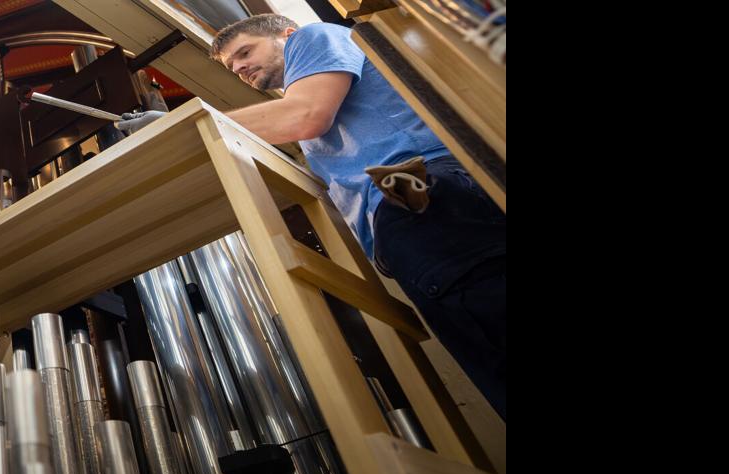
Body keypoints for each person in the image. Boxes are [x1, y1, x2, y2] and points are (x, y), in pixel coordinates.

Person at [116, 14, 505, 420]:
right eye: (232, 66)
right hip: (415, 221)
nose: (240, 67)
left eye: (245, 52)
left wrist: (181, 123)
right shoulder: (320, 119)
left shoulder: (312, 37)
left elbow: (304, 114)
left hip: (426, 202)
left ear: (286, 35)